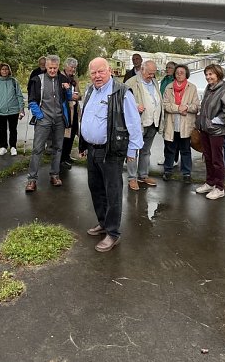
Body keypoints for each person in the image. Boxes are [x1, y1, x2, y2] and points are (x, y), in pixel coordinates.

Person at [79, 57, 143, 252]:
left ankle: (113, 233)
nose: (97, 76)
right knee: (96, 189)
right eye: (93, 72)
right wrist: (83, 144)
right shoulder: (90, 90)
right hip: (92, 149)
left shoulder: (122, 92)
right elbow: (85, 118)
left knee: (113, 193)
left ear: (110, 72)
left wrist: (132, 150)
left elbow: (133, 123)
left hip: (112, 151)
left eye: (101, 71)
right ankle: (103, 223)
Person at [25, 55, 71, 192]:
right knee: (37, 149)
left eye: (55, 68)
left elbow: (67, 99)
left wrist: (68, 90)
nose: (52, 70)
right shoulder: (37, 80)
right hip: (44, 119)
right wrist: (40, 115)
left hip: (59, 120)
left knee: (58, 148)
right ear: (46, 66)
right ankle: (31, 179)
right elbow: (32, 101)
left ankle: (55, 175)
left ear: (58, 67)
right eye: (50, 68)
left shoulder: (63, 79)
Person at [195, 64, 225, 200]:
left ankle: (219, 187)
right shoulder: (209, 88)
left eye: (211, 74)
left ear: (218, 74)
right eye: (206, 74)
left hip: (216, 131)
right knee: (208, 157)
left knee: (217, 160)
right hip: (205, 129)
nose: (208, 77)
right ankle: (210, 182)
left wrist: (214, 121)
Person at [125, 60, 162, 189]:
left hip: (152, 123)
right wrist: (135, 106)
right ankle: (132, 178)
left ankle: (143, 176)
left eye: (154, 73)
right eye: (149, 73)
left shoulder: (155, 82)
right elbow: (122, 100)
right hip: (138, 124)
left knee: (146, 151)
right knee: (133, 151)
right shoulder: (131, 82)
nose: (151, 76)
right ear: (142, 70)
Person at [162, 64, 200, 182]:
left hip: (186, 126)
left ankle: (186, 173)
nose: (179, 74)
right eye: (177, 72)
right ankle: (167, 170)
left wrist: (187, 107)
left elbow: (196, 106)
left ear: (186, 74)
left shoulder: (192, 88)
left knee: (185, 150)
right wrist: (178, 108)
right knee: (170, 150)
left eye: (182, 72)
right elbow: (165, 105)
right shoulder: (168, 87)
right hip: (171, 125)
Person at [0, 63, 25, 156]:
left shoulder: (14, 81)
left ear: (9, 70)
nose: (4, 71)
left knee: (13, 129)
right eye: (2, 69)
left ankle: (13, 147)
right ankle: (3, 147)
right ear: (0, 71)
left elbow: (19, 95)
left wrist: (21, 109)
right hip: (0, 111)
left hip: (13, 110)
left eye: (6, 69)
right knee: (2, 129)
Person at [60, 57, 81, 169]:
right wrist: (69, 96)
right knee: (65, 135)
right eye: (71, 67)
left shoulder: (75, 78)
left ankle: (67, 156)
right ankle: (61, 159)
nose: (73, 70)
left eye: (74, 68)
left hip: (75, 109)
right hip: (65, 111)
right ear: (65, 66)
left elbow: (79, 94)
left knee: (72, 134)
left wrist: (77, 96)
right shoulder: (60, 77)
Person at [157, 60, 178, 166]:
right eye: (167, 67)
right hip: (163, 110)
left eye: (170, 68)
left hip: (172, 111)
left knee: (173, 137)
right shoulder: (165, 79)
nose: (168, 69)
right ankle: (167, 157)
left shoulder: (175, 81)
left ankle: (174, 159)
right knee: (166, 136)